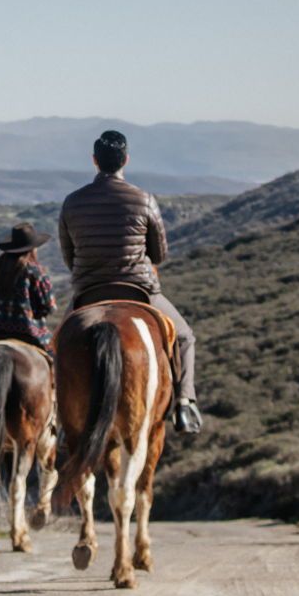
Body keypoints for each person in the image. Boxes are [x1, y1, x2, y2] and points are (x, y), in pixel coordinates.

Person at [57, 130, 202, 434]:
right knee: (185, 337)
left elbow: (69, 256)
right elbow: (159, 254)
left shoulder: (73, 202)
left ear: (95, 161)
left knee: (57, 345)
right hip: (138, 290)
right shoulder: (143, 199)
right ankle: (185, 403)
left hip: (88, 292)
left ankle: (56, 415)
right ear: (125, 160)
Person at [0, 222, 57, 355]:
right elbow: (49, 306)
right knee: (55, 359)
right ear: (32, 249)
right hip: (29, 334)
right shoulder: (35, 271)